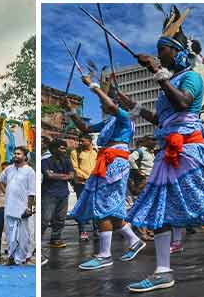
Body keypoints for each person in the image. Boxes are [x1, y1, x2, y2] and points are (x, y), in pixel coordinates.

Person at [120, 9, 204, 292]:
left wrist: (155, 72)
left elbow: (184, 104)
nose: (158, 55)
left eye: (161, 50)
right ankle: (163, 271)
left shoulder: (192, 78)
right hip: (166, 152)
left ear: (175, 52)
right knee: (159, 211)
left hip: (186, 150)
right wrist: (132, 105)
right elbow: (162, 119)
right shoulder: (169, 83)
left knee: (198, 203)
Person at [65, 74, 144, 272]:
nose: (103, 104)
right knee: (112, 209)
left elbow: (110, 106)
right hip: (106, 161)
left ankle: (105, 255)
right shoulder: (110, 121)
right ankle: (134, 241)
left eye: (109, 99)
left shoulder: (125, 117)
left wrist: (93, 85)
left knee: (103, 207)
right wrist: (71, 112)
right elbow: (85, 128)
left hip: (114, 162)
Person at [0, 146, 36, 265]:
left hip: (23, 208)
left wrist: (29, 208)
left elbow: (31, 191)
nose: (15, 155)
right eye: (15, 153)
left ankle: (22, 258)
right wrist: (6, 191)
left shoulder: (29, 171)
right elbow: (0, 181)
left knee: (23, 235)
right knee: (10, 234)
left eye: (19, 154)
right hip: (9, 207)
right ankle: (11, 257)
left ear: (25, 156)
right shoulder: (9, 169)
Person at [41, 138, 73, 249]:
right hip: (49, 194)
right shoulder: (45, 161)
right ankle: (38, 242)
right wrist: (64, 176)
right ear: (54, 149)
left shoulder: (67, 161)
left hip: (63, 194)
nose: (64, 150)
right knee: (45, 219)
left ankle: (55, 239)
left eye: (65, 148)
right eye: (61, 148)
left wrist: (56, 175)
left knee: (60, 219)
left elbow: (72, 175)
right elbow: (48, 175)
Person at [70, 133, 97, 241]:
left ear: (90, 141)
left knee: (95, 206)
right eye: (79, 141)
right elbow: (75, 168)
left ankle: (97, 229)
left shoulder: (96, 152)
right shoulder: (75, 152)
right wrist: (87, 177)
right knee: (82, 207)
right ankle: (82, 231)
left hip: (96, 183)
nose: (80, 143)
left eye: (83, 141)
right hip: (81, 183)